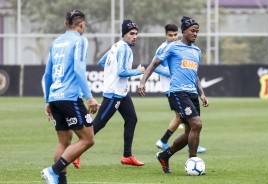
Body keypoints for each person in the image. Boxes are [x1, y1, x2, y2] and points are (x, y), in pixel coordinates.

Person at [138, 16, 209, 174]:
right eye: (192, 31)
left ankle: (165, 155)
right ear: (184, 31)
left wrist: (202, 93)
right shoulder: (172, 47)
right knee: (197, 124)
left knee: (189, 132)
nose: (195, 34)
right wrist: (143, 82)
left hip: (192, 94)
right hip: (178, 92)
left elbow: (194, 74)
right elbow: (153, 64)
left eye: (197, 31)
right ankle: (193, 161)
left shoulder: (197, 51)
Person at [41, 9, 99, 184]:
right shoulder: (80, 40)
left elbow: (47, 74)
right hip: (69, 97)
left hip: (55, 96)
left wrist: (48, 100)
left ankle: (60, 181)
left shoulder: (56, 42)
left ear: (67, 23)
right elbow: (79, 69)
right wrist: (89, 97)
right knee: (88, 138)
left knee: (64, 141)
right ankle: (54, 170)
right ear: (81, 24)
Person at [92, 19, 145, 166]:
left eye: (136, 34)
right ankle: (74, 152)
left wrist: (111, 70)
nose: (134, 36)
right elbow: (122, 72)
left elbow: (102, 63)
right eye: (131, 33)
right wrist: (138, 71)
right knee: (98, 124)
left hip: (121, 93)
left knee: (132, 119)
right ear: (124, 34)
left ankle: (127, 156)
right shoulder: (125, 49)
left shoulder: (116, 45)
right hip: (113, 94)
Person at [154, 24, 206, 154]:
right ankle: (171, 141)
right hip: (172, 88)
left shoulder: (187, 49)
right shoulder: (165, 48)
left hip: (186, 89)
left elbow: (192, 71)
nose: (173, 37)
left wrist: (201, 93)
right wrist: (170, 71)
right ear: (165, 35)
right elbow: (155, 65)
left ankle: (171, 143)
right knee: (186, 119)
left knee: (182, 119)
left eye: (175, 35)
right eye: (170, 35)